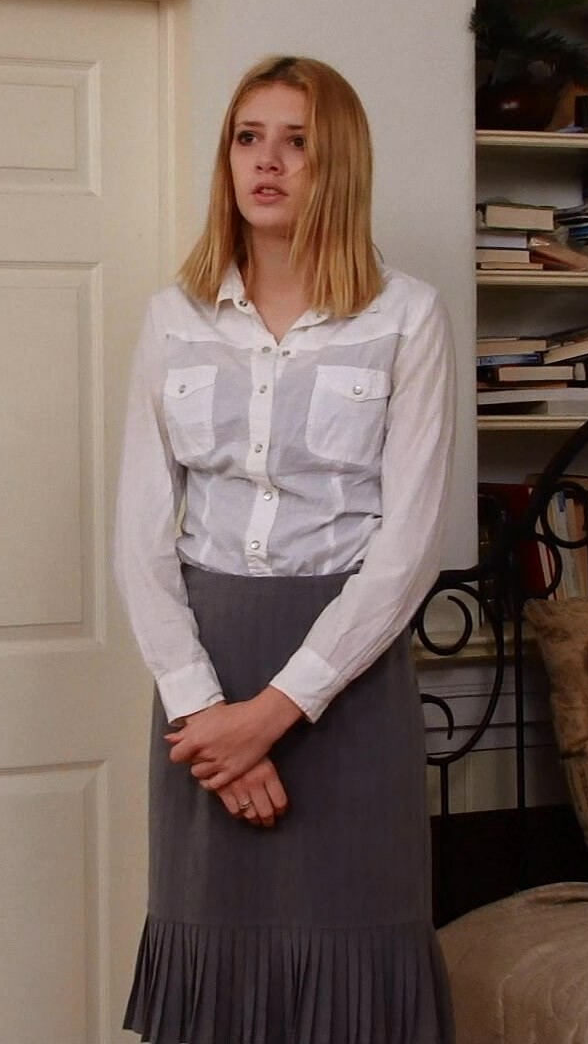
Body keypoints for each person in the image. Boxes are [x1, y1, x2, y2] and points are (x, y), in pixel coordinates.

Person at [113, 54, 457, 1044]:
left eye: (296, 141)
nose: (266, 162)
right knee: (216, 968)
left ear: (337, 162)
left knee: (355, 968)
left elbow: (409, 546)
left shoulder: (407, 317)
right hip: (203, 674)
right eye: (247, 137)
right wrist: (206, 714)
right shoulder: (172, 318)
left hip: (348, 677)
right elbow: (140, 533)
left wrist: (272, 715)